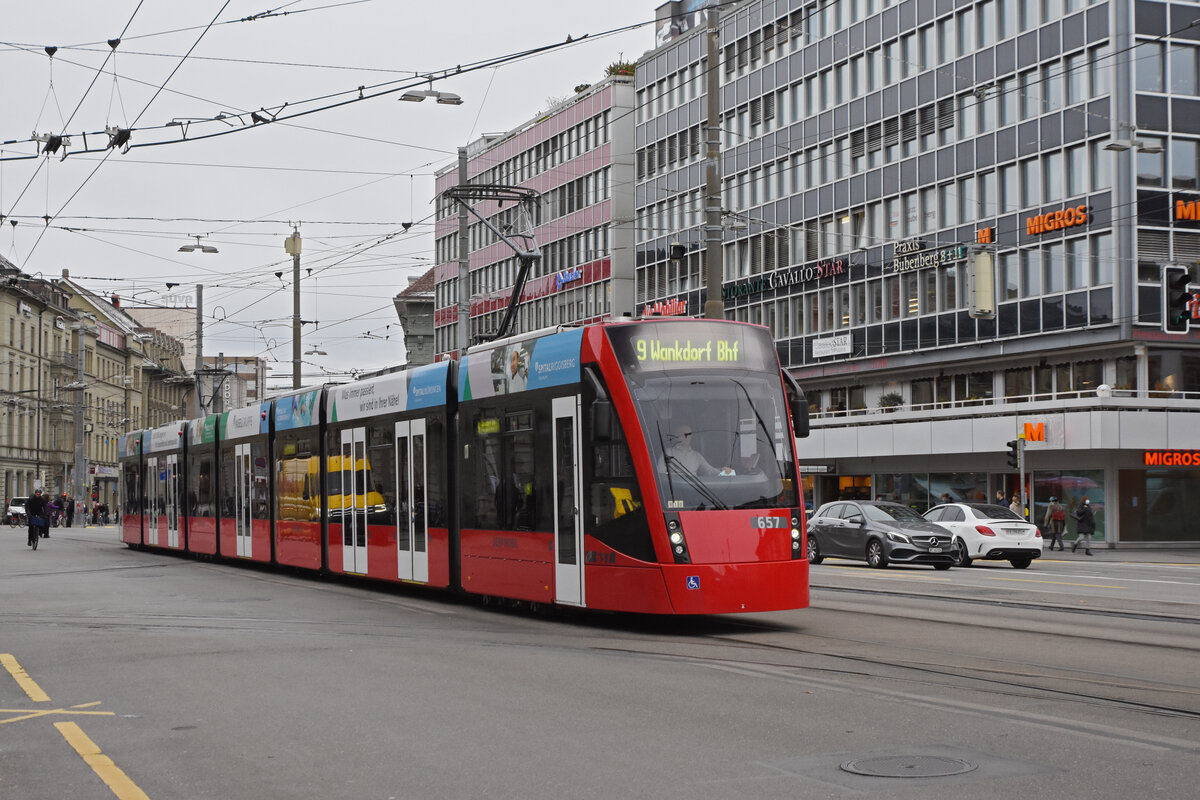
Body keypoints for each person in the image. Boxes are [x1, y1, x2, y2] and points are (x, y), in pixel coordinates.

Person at [661, 425, 731, 477]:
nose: (688, 437)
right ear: (677, 435)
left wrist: (723, 472)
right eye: (685, 434)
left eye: (689, 435)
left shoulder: (696, 456)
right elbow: (660, 475)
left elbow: (709, 471)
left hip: (694, 490)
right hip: (673, 491)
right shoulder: (667, 453)